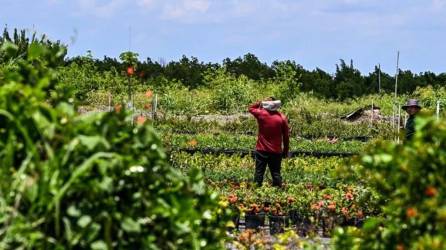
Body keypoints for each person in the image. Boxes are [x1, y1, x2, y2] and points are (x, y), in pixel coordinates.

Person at [248, 97, 290, 187]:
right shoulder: (282, 117)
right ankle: (278, 192)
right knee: (276, 173)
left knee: (259, 173)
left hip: (261, 150)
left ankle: (256, 191)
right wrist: (285, 151)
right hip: (276, 151)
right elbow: (286, 136)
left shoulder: (261, 114)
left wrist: (261, 102)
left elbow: (250, 108)